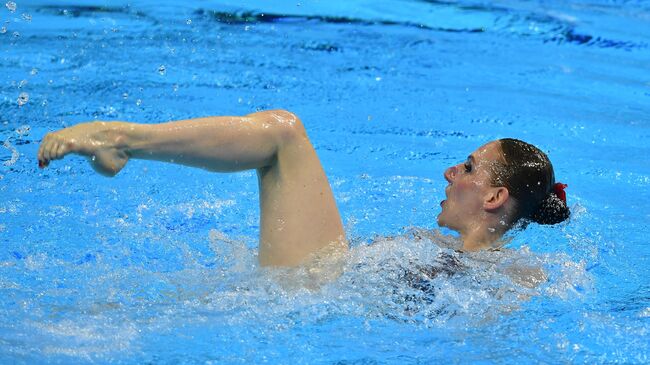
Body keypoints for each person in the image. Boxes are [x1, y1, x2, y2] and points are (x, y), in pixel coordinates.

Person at [37, 110, 570, 267]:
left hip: (316, 290)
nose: (451, 173)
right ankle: (120, 141)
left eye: (470, 168)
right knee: (281, 136)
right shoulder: (441, 249)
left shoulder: (516, 276)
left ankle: (118, 140)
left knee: (283, 135)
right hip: (320, 284)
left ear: (496, 198)